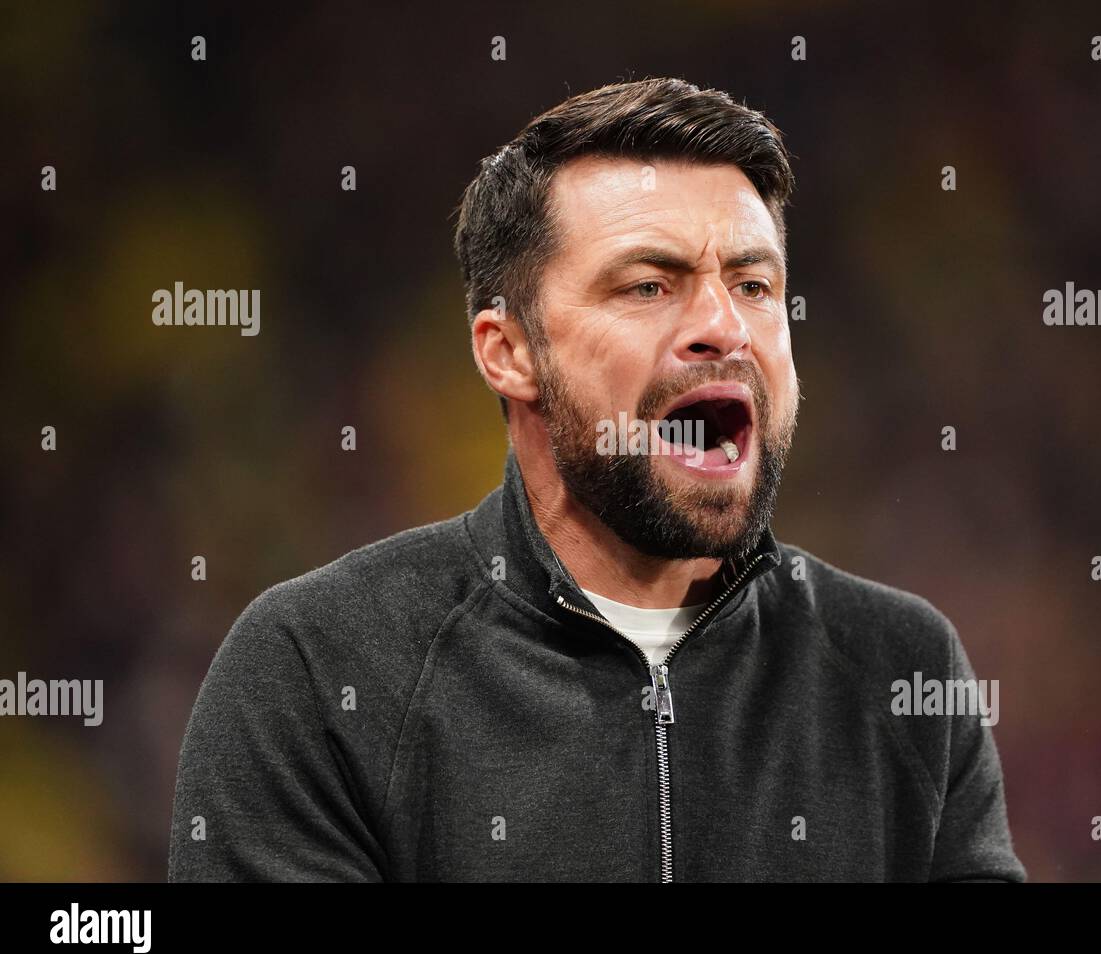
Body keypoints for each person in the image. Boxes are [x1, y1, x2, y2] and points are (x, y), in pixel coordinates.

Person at [168, 77, 1026, 882]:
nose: (722, 327)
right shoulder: (317, 669)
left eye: (755, 284)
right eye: (650, 285)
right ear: (507, 352)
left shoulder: (903, 669)